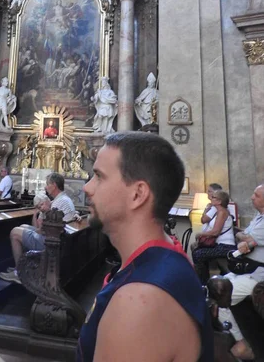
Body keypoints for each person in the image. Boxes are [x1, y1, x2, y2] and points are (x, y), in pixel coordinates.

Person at [77, 132, 213, 362]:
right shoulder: (158, 260)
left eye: (99, 176)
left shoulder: (140, 301)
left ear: (137, 194)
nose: (87, 188)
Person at [0, 173, 76, 284]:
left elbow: (42, 229)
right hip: (58, 239)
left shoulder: (60, 202)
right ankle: (24, 265)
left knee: (15, 232)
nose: (45, 187)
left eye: (47, 184)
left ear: (54, 185)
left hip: (52, 243)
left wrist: (40, 217)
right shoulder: (63, 199)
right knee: (23, 227)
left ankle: (20, 273)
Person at [216, 184, 264, 360]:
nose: (252, 197)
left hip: (257, 275)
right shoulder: (259, 217)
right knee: (215, 285)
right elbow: (241, 236)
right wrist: (245, 238)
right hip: (245, 269)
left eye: (256, 195)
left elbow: (246, 239)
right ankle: (234, 336)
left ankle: (241, 342)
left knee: (220, 296)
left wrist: (245, 238)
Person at [192, 190, 236, 283]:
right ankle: (203, 280)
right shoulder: (217, 211)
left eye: (214, 197)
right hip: (219, 244)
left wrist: (200, 234)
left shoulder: (222, 212)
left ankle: (203, 282)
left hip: (225, 246)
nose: (211, 198)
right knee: (197, 250)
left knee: (198, 254)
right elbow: (204, 220)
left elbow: (216, 232)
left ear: (219, 201)